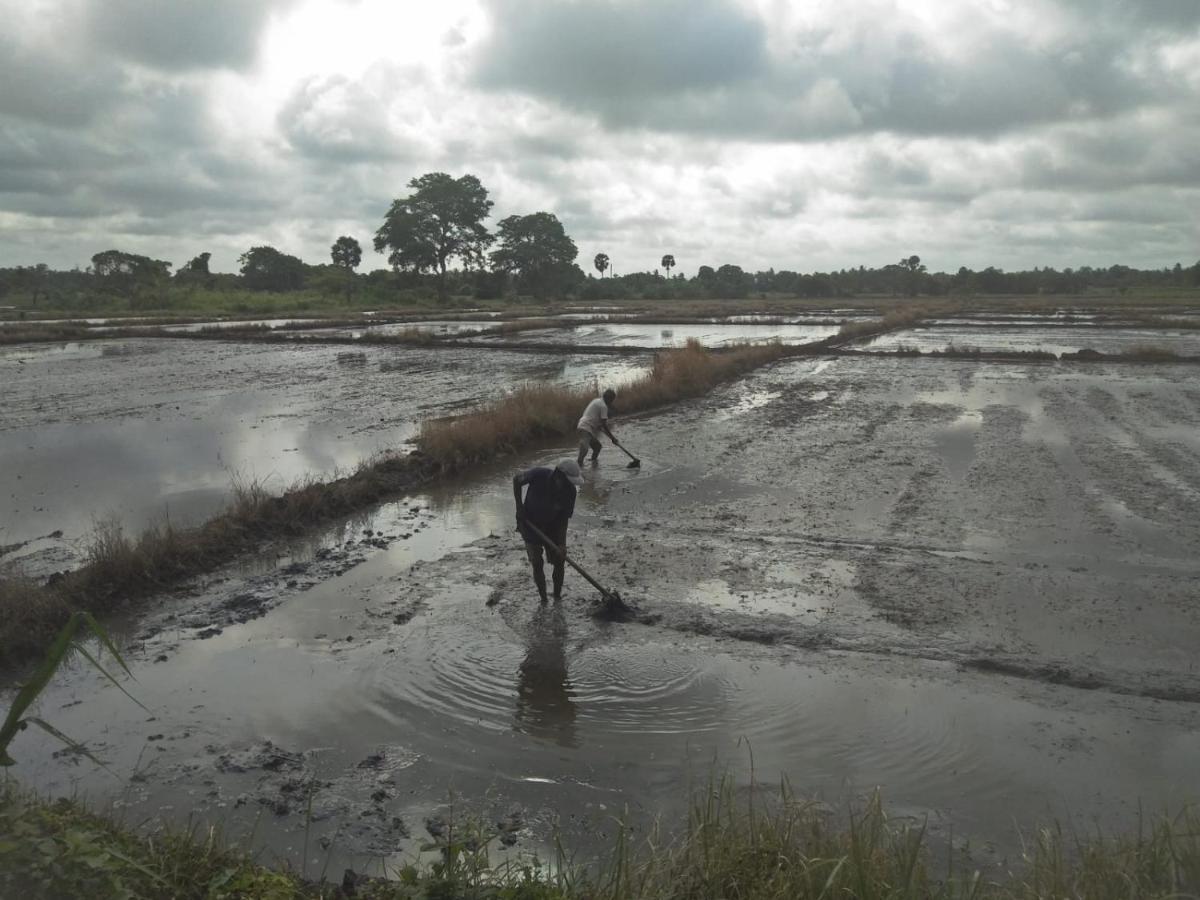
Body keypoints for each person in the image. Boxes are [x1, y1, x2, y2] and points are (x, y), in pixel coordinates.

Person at [513, 459, 585, 602]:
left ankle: (557, 598)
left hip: (553, 526)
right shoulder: (538, 475)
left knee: (559, 561)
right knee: (537, 562)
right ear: (558, 475)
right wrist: (519, 507)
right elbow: (516, 480)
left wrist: (562, 544)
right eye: (567, 481)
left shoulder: (570, 492)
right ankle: (544, 599)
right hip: (530, 524)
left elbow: (564, 519)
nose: (569, 485)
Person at [576, 388, 619, 466]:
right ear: (609, 399)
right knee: (584, 449)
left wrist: (598, 425)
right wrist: (613, 438)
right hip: (585, 427)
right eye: (612, 400)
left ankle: (593, 464)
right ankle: (579, 466)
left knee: (597, 447)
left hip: (583, 425)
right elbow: (604, 425)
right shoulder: (603, 406)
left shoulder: (596, 400)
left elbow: (593, 416)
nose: (612, 402)